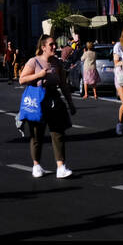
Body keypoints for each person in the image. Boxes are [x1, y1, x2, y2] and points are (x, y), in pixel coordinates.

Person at [19, 35, 74, 178]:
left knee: (58, 132)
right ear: (43, 47)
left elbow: (63, 84)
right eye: (51, 44)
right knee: (37, 134)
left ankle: (61, 167)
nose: (54, 47)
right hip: (37, 99)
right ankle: (36, 165)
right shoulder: (34, 61)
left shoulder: (57, 63)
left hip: (53, 98)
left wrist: (70, 103)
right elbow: (22, 79)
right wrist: (38, 75)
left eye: (55, 44)